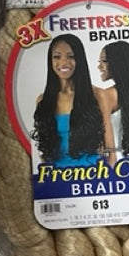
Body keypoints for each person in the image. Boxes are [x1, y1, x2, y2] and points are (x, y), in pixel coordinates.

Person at [32, 34, 104, 167]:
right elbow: (44, 150)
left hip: (92, 173)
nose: (63, 62)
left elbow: (107, 144)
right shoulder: (43, 100)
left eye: (70, 56)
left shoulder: (97, 95)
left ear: (79, 59)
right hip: (57, 175)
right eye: (57, 57)